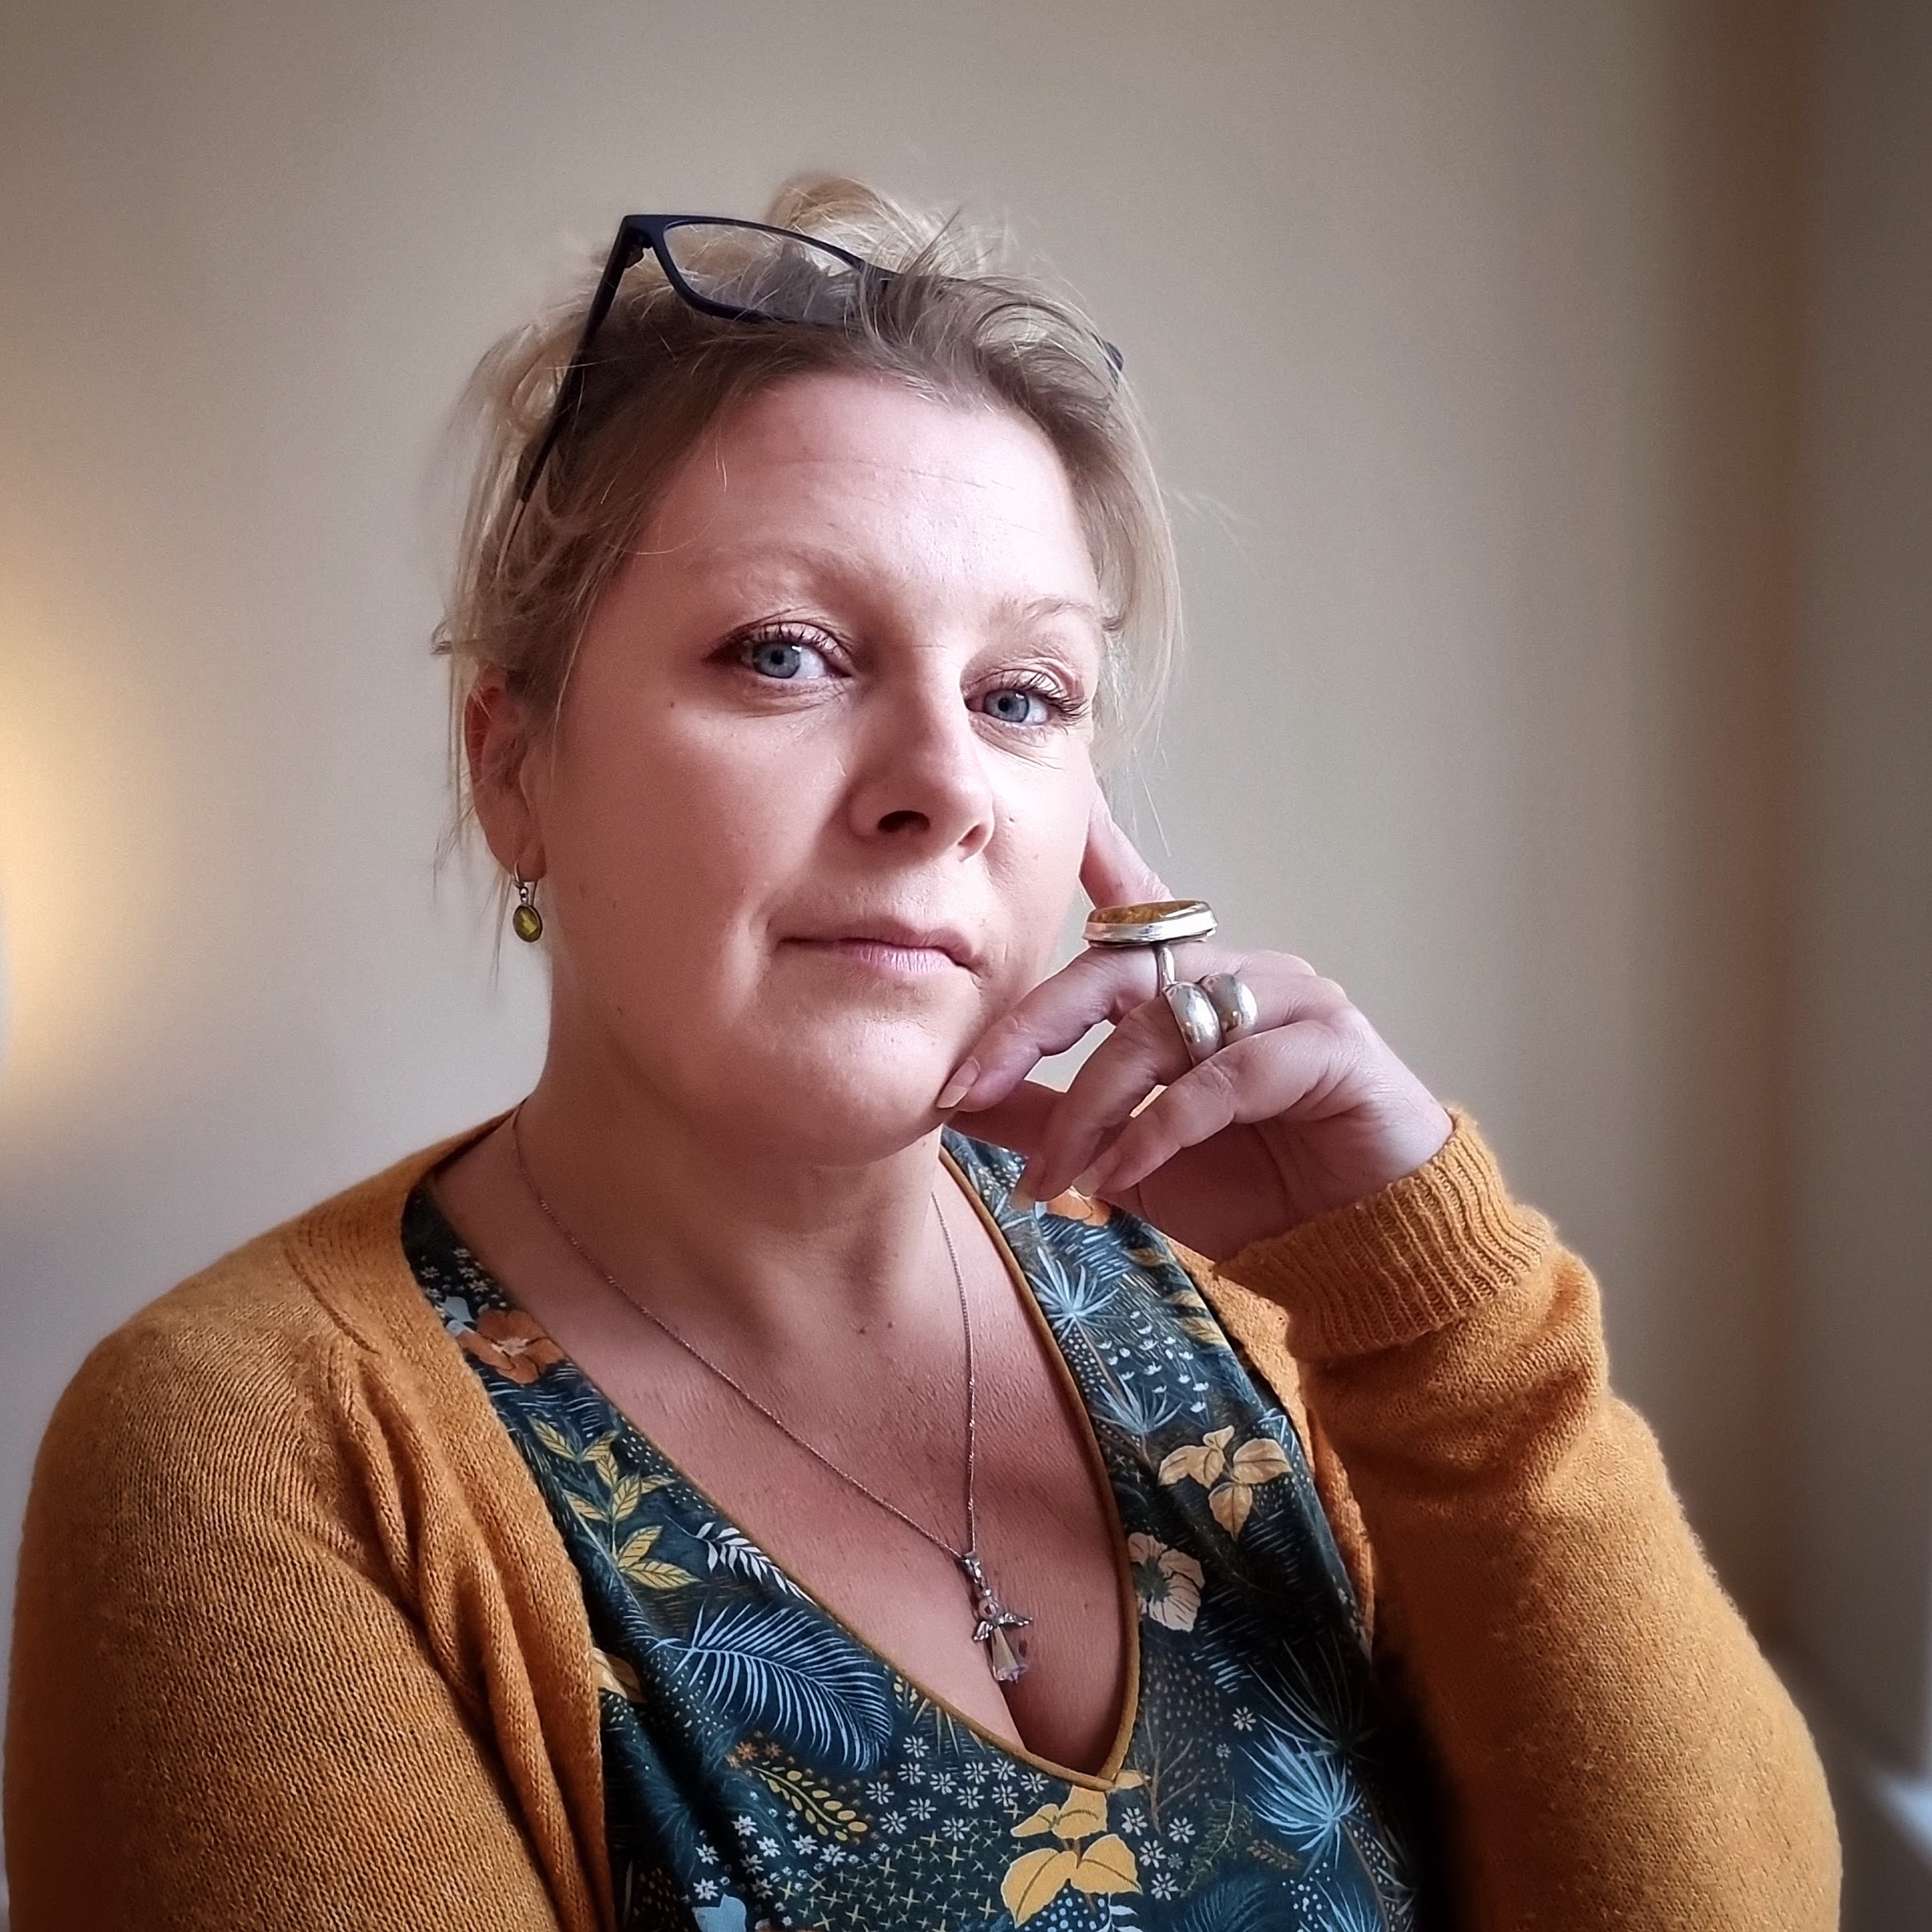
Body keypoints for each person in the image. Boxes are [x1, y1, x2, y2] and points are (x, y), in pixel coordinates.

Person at [5, 179, 1836, 1931]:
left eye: (1020, 694)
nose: (945, 783)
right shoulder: (251, 1458)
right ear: (511, 766)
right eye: (786, 653)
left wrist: (1437, 1315)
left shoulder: (1265, 1313)